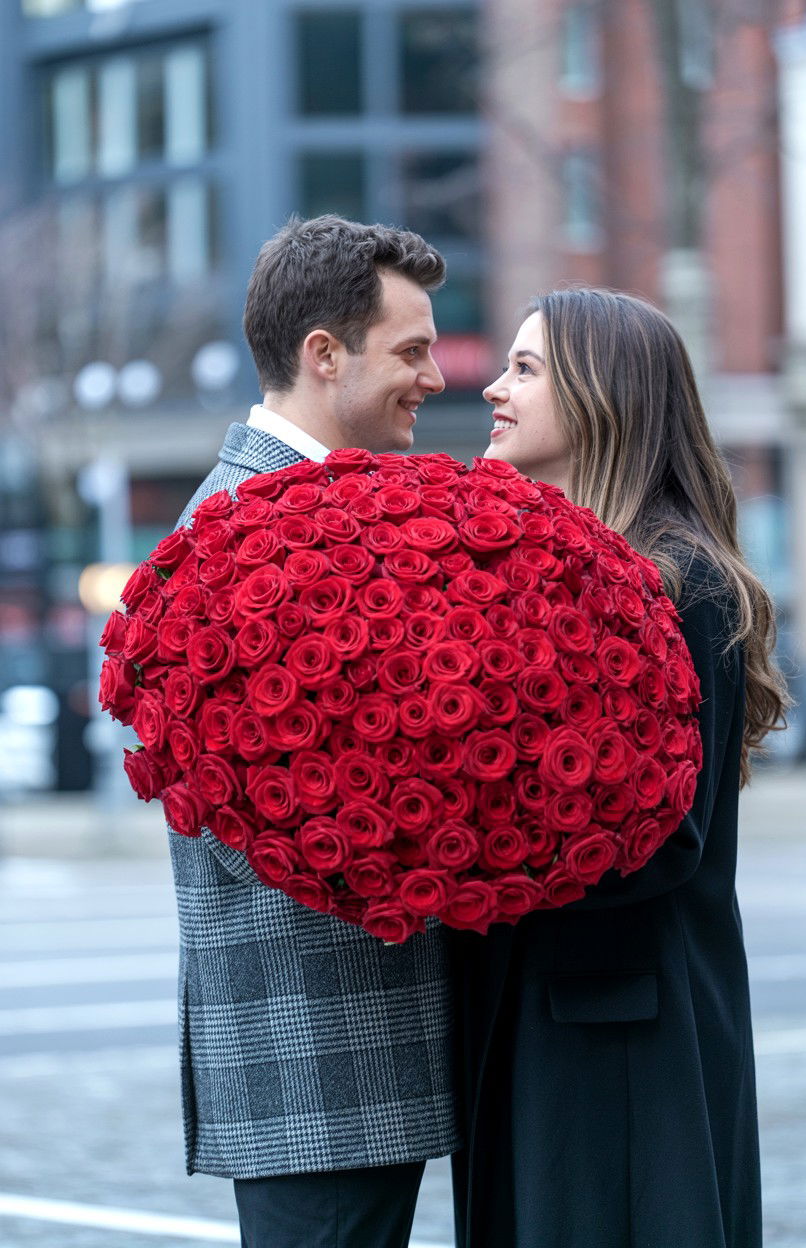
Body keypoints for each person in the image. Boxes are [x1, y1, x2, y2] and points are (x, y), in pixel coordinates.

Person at [450, 289, 790, 1248]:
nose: (493, 390)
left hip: (633, 1032)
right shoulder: (553, 563)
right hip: (538, 1008)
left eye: (525, 369)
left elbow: (662, 839)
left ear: (607, 395)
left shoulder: (689, 583)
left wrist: (461, 862)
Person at [167, 215, 454, 1248]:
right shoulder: (241, 528)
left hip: (349, 1055)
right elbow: (250, 820)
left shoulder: (312, 509)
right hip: (321, 1062)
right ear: (323, 356)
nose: (432, 374)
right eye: (410, 350)